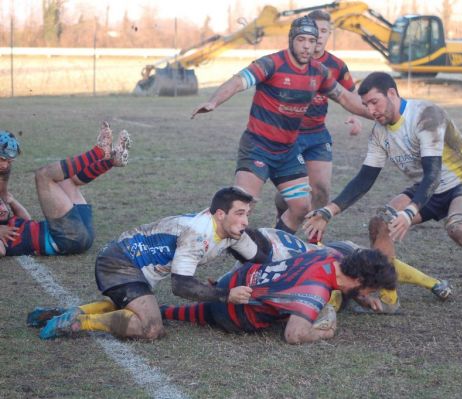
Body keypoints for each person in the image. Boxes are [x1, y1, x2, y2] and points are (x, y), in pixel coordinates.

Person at [303, 71, 462, 318]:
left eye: (374, 102)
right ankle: (390, 298)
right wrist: (328, 210)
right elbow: (365, 178)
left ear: (392, 94)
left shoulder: (425, 114)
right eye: (366, 105)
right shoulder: (380, 131)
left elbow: (434, 173)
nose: (371, 110)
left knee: (459, 228)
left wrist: (410, 212)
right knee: (380, 222)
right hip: (426, 188)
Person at [191, 16, 370, 235]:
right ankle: (197, 238)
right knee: (241, 207)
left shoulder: (319, 72)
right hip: (258, 145)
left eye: (311, 41)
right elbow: (238, 81)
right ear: (291, 40)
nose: (306, 46)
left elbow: (346, 97)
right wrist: (214, 101)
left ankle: (276, 248)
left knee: (302, 207)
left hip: (287, 150)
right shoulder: (271, 64)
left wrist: (378, 113)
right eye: (301, 39)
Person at [28, 187, 272, 340]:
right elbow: (181, 286)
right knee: (151, 327)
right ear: (220, 214)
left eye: (247, 214)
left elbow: (260, 259)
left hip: (129, 263)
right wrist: (226, 294)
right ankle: (79, 322)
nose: (245, 220)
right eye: (240, 213)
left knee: (131, 307)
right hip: (120, 261)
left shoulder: (232, 232)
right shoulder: (198, 233)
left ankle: (65, 314)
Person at [161, 247, 397, 344]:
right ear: (358, 280)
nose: (369, 295)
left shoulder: (330, 255)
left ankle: (162, 311)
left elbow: (345, 282)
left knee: (173, 312)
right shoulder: (315, 290)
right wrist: (325, 333)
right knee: (187, 314)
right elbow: (294, 335)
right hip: (233, 315)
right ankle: (163, 311)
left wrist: (362, 297)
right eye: (370, 290)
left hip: (231, 284)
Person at [274, 10, 361, 238]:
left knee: (321, 191)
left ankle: (314, 242)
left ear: (329, 34)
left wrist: (355, 116)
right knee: (294, 198)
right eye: (314, 31)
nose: (319, 36)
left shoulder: (337, 65)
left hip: (317, 134)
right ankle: (282, 219)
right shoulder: (288, 61)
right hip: (289, 135)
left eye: (324, 31)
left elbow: (351, 94)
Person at [235, 226, 452, 313]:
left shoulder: (328, 277)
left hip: (339, 255)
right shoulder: (258, 255)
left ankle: (432, 283)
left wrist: (362, 297)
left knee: (382, 287)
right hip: (328, 261)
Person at [0, 122, 130, 256]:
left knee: (65, 179)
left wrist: (10, 200)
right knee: (43, 175)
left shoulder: (12, 223)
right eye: (2, 159)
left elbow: (27, 218)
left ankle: (111, 161)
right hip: (67, 238)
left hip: (82, 233)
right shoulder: (3, 237)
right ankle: (99, 151)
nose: (5, 165)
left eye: (9, 162)